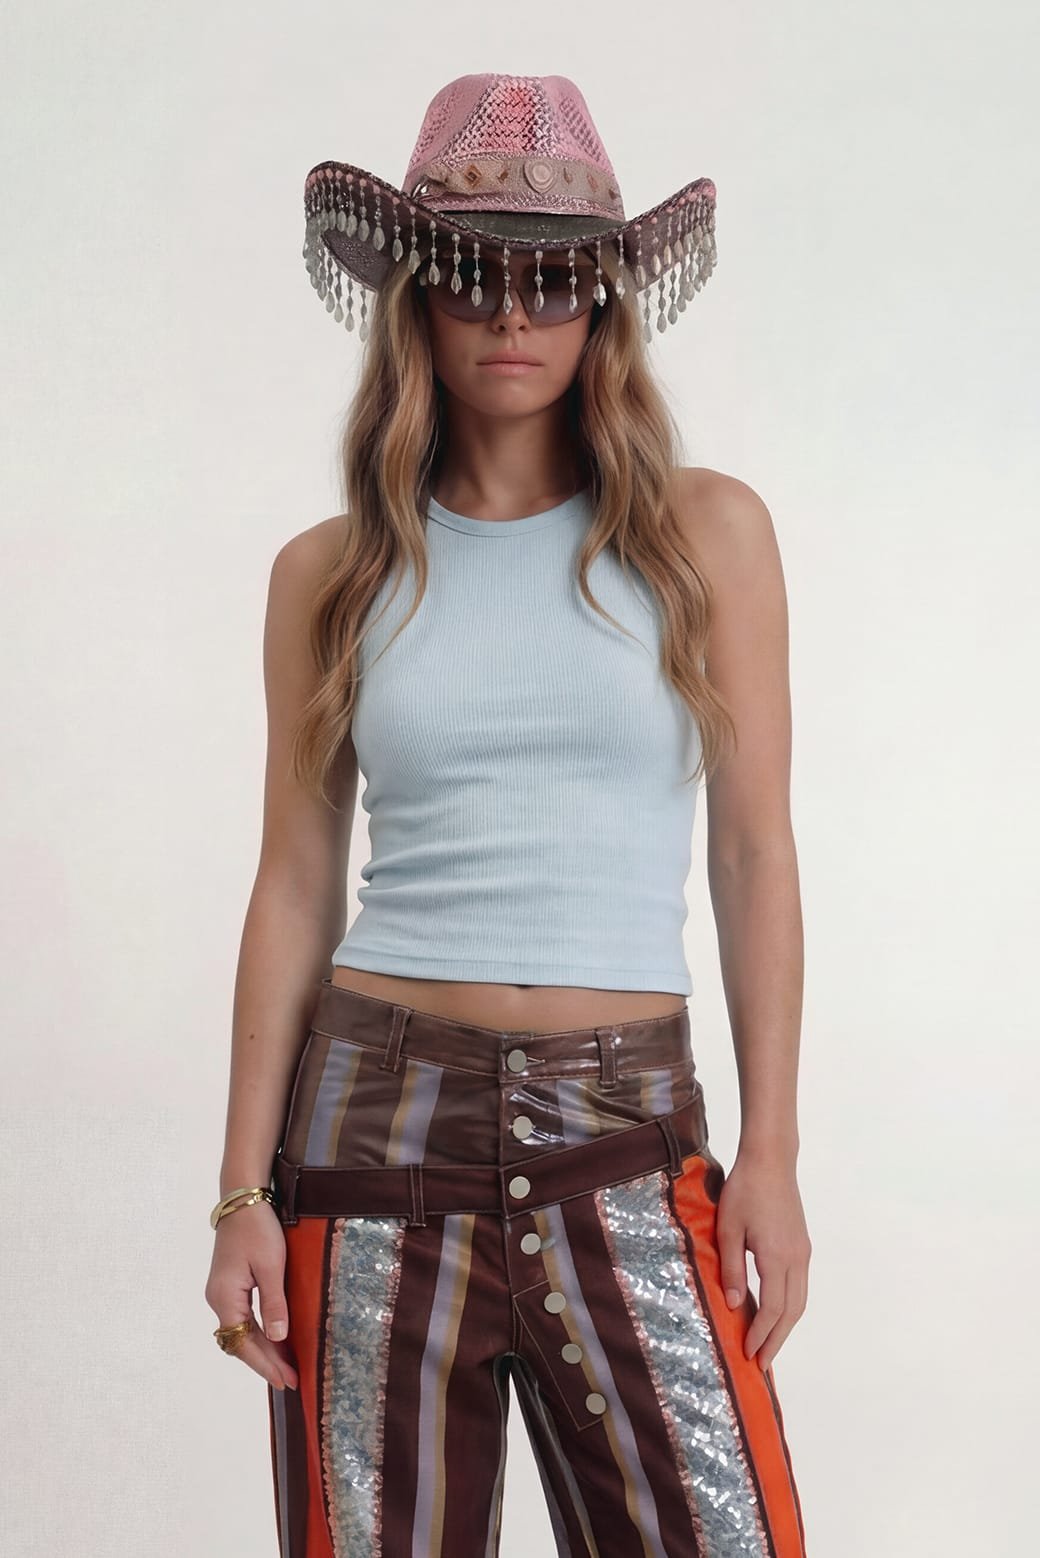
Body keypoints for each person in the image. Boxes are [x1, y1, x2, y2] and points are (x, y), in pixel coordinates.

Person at [205, 72, 811, 1557]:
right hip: (374, 1132)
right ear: (414, 299)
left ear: (604, 302)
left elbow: (753, 852)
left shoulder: (707, 536)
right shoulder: (330, 573)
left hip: (628, 1129)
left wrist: (775, 1153)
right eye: (473, 276)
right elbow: (294, 885)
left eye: (553, 280)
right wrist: (237, 1192)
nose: (513, 317)